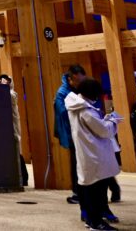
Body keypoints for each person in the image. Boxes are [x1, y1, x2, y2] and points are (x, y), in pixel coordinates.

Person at [67, 78, 122, 231]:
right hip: (94, 154)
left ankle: (91, 219)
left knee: (89, 188)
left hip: (86, 153)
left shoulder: (75, 107)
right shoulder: (86, 111)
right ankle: (96, 222)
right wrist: (113, 121)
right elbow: (104, 131)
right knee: (97, 190)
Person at [55, 64, 88, 204]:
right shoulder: (62, 92)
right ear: (70, 79)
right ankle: (77, 193)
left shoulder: (83, 88)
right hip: (73, 132)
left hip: (86, 131)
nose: (80, 83)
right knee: (77, 162)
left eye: (82, 80)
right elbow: (63, 113)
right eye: (78, 81)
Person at [0, 74, 28, 186]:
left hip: (13, 128)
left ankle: (23, 178)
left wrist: (4, 86)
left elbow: (10, 98)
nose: (3, 82)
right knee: (9, 154)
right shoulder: (2, 94)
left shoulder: (12, 94)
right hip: (4, 128)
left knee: (17, 153)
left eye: (6, 80)